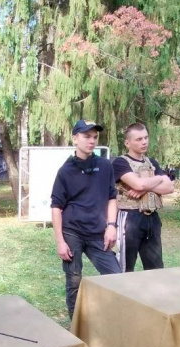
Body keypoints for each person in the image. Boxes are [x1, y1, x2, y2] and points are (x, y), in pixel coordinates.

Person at [51, 119, 121, 319]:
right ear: (75, 138)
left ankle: (113, 318)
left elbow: (111, 198)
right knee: (74, 280)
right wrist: (60, 242)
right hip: (72, 231)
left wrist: (111, 226)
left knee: (116, 276)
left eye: (95, 137)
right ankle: (76, 326)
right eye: (86, 136)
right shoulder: (66, 171)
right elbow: (56, 207)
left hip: (98, 232)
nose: (91, 141)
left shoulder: (105, 166)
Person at [112, 123, 174, 272]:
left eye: (146, 138)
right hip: (130, 218)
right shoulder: (120, 163)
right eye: (139, 139)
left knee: (156, 267)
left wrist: (144, 188)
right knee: (125, 267)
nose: (144, 142)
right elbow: (138, 184)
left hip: (152, 218)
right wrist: (157, 179)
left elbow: (169, 187)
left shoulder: (152, 162)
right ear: (128, 143)